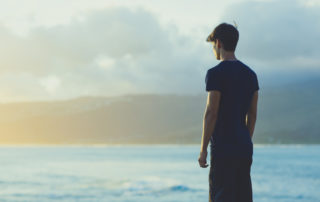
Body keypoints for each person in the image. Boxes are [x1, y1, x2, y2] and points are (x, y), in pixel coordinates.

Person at [198, 23, 259, 202]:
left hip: (223, 148)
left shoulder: (215, 73)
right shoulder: (251, 75)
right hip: (244, 147)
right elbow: (253, 115)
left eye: (213, 46)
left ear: (218, 43)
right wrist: (244, 140)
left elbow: (211, 113)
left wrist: (203, 150)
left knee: (220, 196)